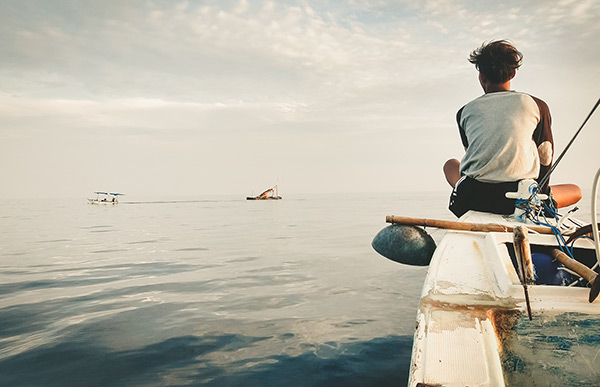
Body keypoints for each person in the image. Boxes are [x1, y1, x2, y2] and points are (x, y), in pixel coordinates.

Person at [444, 40, 581, 218]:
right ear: (514, 73)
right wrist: (539, 195)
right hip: (519, 198)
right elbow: (545, 153)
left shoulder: (464, 111)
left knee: (450, 165)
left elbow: (473, 156)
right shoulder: (536, 105)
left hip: (473, 197)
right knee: (575, 190)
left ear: (481, 77)